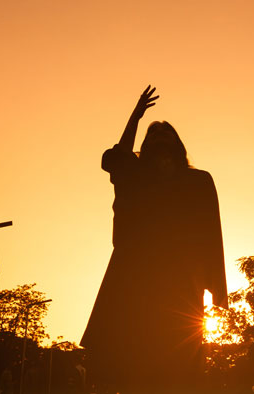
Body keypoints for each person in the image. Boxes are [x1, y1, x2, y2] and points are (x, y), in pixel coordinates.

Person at [82, 86, 229, 393]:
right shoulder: (136, 177)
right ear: (146, 147)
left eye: (167, 136)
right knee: (135, 362)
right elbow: (117, 159)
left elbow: (211, 232)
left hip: (180, 286)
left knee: (179, 365)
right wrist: (135, 117)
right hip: (135, 281)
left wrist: (217, 288)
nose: (162, 140)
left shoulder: (197, 181)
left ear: (178, 145)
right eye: (154, 136)